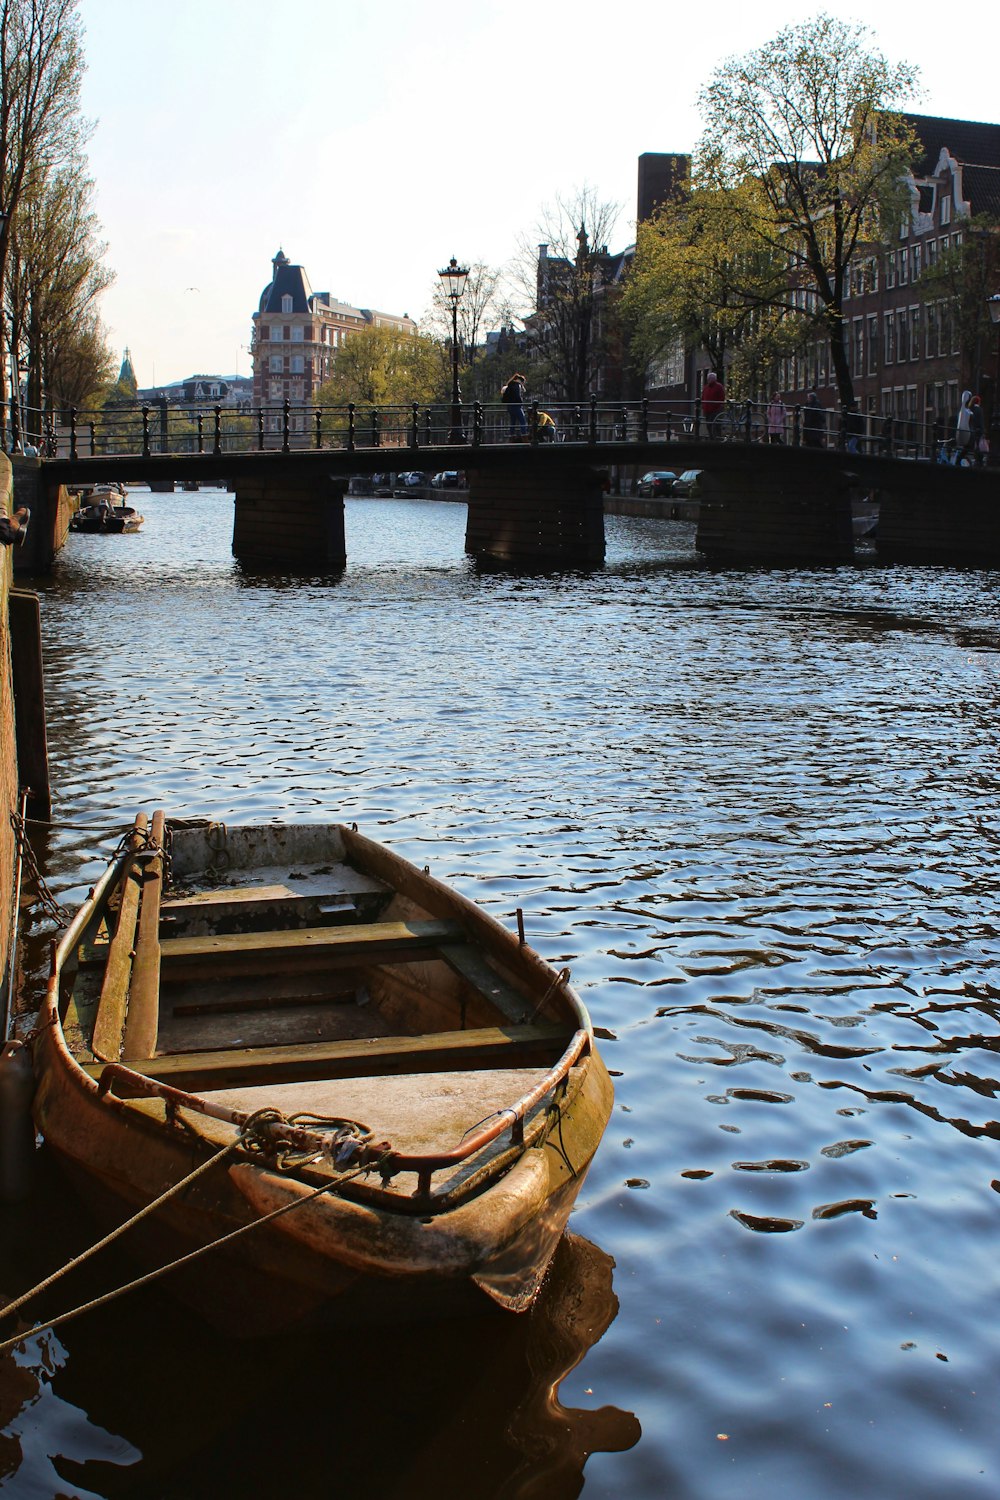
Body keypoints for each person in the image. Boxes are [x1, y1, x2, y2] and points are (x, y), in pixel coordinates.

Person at [501, 372, 528, 439]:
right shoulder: (517, 385)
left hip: (509, 406)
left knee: (513, 421)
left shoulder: (510, 385)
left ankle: (511, 436)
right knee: (523, 420)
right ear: (521, 381)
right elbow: (517, 396)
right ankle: (524, 435)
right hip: (516, 405)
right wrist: (521, 402)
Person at [701, 370, 726, 437]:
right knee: (709, 425)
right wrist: (703, 406)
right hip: (707, 410)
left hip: (715, 410)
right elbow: (703, 397)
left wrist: (718, 407)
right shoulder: (706, 387)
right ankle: (712, 437)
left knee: (715, 426)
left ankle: (716, 438)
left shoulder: (719, 387)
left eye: (710, 379)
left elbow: (722, 397)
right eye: (708, 379)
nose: (708, 380)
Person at [954, 390, 975, 464]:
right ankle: (958, 461)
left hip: (966, 432)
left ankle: (959, 460)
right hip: (968, 433)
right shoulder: (967, 412)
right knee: (968, 449)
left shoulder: (962, 411)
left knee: (967, 449)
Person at [969, 395, 985, 467]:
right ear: (978, 402)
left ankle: (976, 461)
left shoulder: (970, 409)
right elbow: (981, 421)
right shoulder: (979, 410)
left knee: (974, 446)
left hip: (971, 430)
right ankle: (979, 462)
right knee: (979, 447)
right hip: (978, 431)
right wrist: (982, 431)